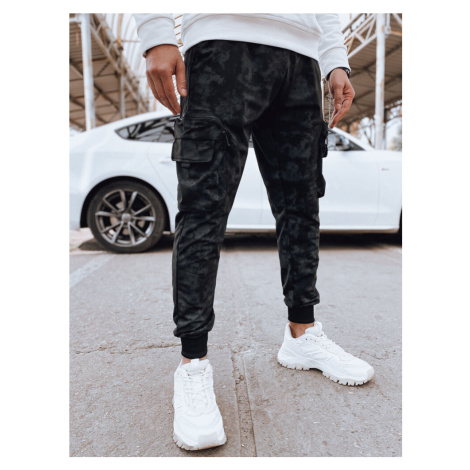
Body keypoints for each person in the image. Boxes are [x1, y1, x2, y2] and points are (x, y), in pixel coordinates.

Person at [134, 13, 374, 451]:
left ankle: (302, 335)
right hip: (221, 41)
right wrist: (155, 33)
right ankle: (193, 363)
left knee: (302, 207)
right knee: (204, 211)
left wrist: (334, 58)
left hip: (302, 60)